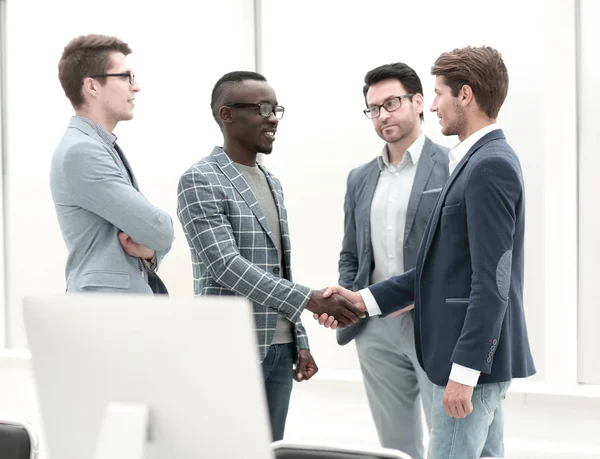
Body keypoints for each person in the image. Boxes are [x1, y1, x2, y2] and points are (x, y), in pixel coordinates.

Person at [319, 46, 536, 459]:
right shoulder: (476, 161)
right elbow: (439, 270)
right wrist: (363, 299)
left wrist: (465, 372)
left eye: (438, 93)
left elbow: (493, 281)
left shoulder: (489, 165)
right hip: (461, 357)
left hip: (463, 359)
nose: (434, 105)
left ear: (465, 96)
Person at [176, 71, 360, 441]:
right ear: (226, 115)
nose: (272, 117)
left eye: (275, 108)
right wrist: (308, 300)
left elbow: (279, 269)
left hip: (280, 349)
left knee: (269, 449)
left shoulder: (271, 181)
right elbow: (225, 266)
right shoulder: (200, 179)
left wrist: (300, 339)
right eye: (261, 108)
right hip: (231, 348)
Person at [336, 62, 448, 459]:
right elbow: (351, 253)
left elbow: (457, 256)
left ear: (419, 102)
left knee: (449, 441)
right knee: (395, 448)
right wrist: (347, 301)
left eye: (392, 103)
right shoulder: (360, 177)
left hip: (433, 322)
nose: (383, 115)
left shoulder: (452, 165)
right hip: (375, 330)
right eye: (374, 108)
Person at [50, 34, 174, 293]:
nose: (136, 86)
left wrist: (150, 250)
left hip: (115, 308)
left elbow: (151, 236)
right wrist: (154, 240)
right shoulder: (82, 151)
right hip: (106, 310)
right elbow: (159, 229)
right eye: (126, 76)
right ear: (92, 86)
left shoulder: (96, 145)